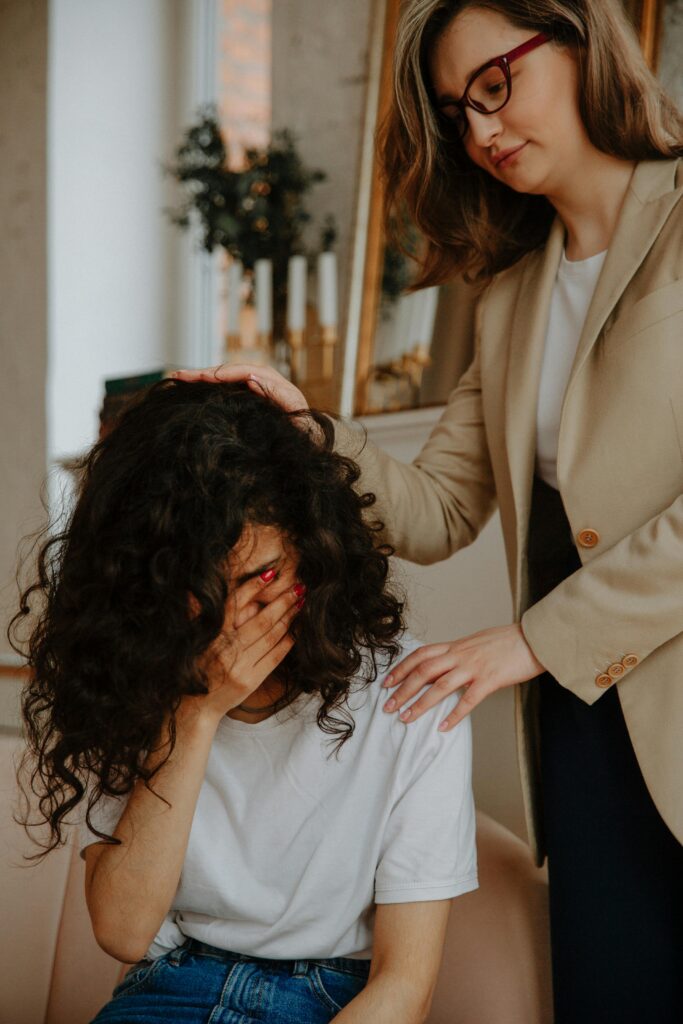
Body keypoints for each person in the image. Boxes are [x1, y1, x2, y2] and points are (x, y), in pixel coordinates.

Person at [174, 2, 683, 1021]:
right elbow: (439, 505)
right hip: (584, 729)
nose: (480, 128)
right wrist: (310, 427)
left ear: (581, 41)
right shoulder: (507, 296)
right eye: (456, 111)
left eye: (494, 83)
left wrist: (530, 640)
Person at [10, 380, 478, 1024]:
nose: (230, 616)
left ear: (310, 553)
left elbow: (404, 989)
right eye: (201, 586)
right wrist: (195, 713)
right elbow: (120, 931)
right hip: (169, 986)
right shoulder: (134, 678)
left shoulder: (411, 692)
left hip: (329, 998)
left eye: (257, 579)